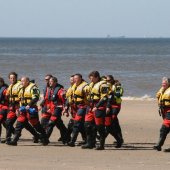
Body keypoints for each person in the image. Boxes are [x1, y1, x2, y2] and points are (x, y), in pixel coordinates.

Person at [7, 76, 48, 146]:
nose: (21, 83)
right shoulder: (21, 88)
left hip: (31, 108)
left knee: (36, 125)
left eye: (23, 81)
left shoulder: (33, 88)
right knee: (19, 124)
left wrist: (29, 105)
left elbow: (36, 98)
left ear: (27, 81)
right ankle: (14, 140)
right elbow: (19, 99)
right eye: (21, 81)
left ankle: (45, 138)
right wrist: (18, 109)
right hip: (22, 109)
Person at [82, 71, 109, 150]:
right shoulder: (91, 85)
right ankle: (90, 143)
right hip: (90, 107)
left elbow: (104, 98)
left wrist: (97, 106)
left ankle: (101, 145)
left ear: (97, 77)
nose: (91, 80)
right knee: (87, 125)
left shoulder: (103, 85)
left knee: (100, 127)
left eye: (92, 78)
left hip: (99, 107)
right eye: (90, 78)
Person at [67, 74, 88, 147]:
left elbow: (89, 98)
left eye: (76, 78)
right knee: (81, 125)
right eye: (74, 79)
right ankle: (86, 140)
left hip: (83, 106)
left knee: (77, 123)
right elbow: (69, 97)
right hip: (75, 107)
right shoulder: (73, 86)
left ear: (81, 78)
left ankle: (72, 141)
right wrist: (66, 108)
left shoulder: (85, 86)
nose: (75, 80)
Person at [46, 76, 68, 144]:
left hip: (58, 108)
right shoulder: (50, 89)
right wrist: (49, 108)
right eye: (49, 82)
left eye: (51, 81)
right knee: (59, 124)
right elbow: (49, 100)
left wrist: (65, 109)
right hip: (52, 108)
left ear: (55, 82)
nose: (50, 83)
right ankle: (67, 137)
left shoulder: (60, 90)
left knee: (51, 123)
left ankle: (45, 139)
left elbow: (65, 100)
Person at [1, 72, 21, 144]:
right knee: (8, 122)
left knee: (25, 124)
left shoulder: (19, 86)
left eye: (14, 78)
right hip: (11, 107)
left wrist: (18, 109)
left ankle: (38, 136)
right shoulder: (10, 86)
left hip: (18, 107)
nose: (12, 79)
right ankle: (8, 138)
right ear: (9, 79)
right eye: (11, 78)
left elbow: (20, 98)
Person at [105, 75, 124, 148]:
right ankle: (120, 138)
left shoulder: (117, 86)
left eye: (109, 80)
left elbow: (119, 95)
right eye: (107, 80)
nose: (108, 82)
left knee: (112, 122)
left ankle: (103, 137)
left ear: (112, 80)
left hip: (116, 106)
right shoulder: (106, 86)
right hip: (109, 106)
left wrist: (112, 92)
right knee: (115, 123)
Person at [153, 77, 170, 151]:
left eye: (165, 83)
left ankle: (158, 145)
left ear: (168, 83)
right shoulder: (162, 90)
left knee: (164, 128)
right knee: (167, 129)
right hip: (164, 111)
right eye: (162, 83)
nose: (163, 84)